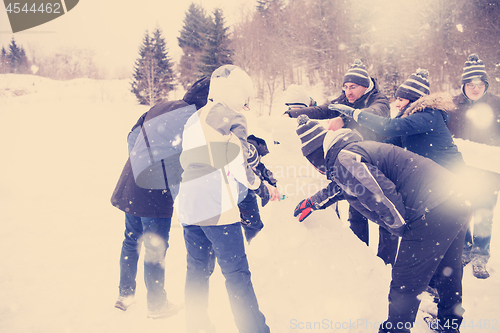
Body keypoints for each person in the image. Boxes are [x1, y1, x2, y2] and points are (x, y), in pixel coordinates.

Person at [294, 115, 470, 333]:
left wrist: (400, 228)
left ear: (317, 156)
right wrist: (314, 201)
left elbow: (381, 194)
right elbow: (351, 185)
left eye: (312, 162)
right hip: (457, 197)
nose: (315, 168)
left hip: (433, 208)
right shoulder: (355, 151)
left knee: (405, 283)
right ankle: (449, 324)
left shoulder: (344, 159)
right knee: (448, 270)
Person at [175, 65, 279, 333]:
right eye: (245, 97)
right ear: (235, 93)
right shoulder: (232, 118)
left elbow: (189, 158)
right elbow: (240, 162)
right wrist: (261, 186)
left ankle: (195, 325)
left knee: (197, 272)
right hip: (216, 204)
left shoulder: (194, 118)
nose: (246, 104)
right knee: (236, 276)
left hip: (188, 204)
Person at [110, 76, 211, 318]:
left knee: (131, 239)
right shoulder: (195, 121)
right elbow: (191, 163)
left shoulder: (161, 106)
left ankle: (125, 294)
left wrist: (142, 160)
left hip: (132, 180)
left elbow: (132, 137)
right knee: (155, 247)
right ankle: (156, 305)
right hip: (155, 189)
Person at [284, 59, 393, 265]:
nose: (348, 92)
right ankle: (362, 262)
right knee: (357, 210)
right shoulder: (346, 99)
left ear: (366, 86)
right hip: (355, 161)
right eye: (345, 87)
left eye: (352, 87)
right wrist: (293, 114)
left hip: (380, 163)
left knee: (385, 215)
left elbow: (375, 115)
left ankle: (386, 265)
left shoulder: (379, 100)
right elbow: (324, 110)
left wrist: (346, 119)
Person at [447, 53, 500, 278]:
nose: (475, 89)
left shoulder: (496, 105)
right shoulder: (451, 106)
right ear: (463, 86)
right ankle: (465, 249)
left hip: (489, 171)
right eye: (470, 84)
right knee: (461, 211)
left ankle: (481, 255)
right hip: (460, 170)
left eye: (479, 84)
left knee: (484, 213)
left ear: (486, 85)